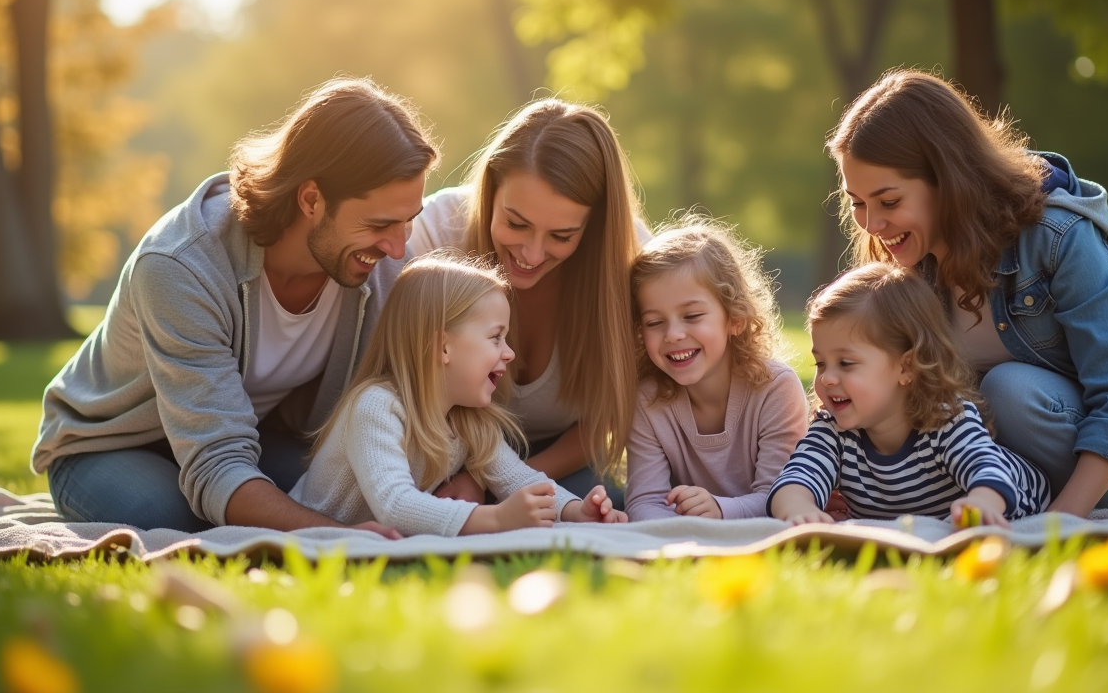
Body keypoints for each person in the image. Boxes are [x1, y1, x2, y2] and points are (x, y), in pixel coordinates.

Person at [32, 77, 438, 533]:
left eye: (409, 221)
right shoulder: (180, 265)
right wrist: (331, 536)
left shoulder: (375, 260)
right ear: (310, 199)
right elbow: (216, 462)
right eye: (381, 223)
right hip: (115, 443)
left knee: (353, 492)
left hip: (248, 436)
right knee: (171, 518)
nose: (399, 248)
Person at [827, 69, 1108, 517]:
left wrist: (1058, 523)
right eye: (857, 203)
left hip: (1106, 472)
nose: (871, 224)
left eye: (889, 202)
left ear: (949, 180)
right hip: (987, 471)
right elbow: (880, 390)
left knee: (1009, 390)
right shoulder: (904, 268)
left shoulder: (1059, 238)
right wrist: (844, 484)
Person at [408, 99, 647, 505]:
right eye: (516, 223)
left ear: (592, 227)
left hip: (560, 458)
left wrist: (496, 480)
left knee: (605, 507)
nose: (532, 255)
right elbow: (398, 379)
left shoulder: (631, 262)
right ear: (491, 191)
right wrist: (465, 473)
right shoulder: (433, 232)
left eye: (561, 236)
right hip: (438, 451)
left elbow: (607, 416)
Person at [290, 252, 626, 535]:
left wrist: (573, 511)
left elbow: (518, 479)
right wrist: (495, 518)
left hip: (373, 539)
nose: (508, 353)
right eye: (496, 337)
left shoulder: (467, 419)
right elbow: (395, 504)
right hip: (314, 532)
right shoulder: (377, 407)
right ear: (444, 346)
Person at [769, 263, 1051, 526]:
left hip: (1020, 492)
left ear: (907, 367)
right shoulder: (832, 431)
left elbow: (986, 468)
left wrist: (981, 501)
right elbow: (796, 479)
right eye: (820, 364)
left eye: (845, 363)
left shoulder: (946, 420)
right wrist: (798, 509)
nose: (827, 378)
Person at [623, 216, 808, 521]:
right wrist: (679, 537)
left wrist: (721, 509)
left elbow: (781, 497)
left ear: (734, 318)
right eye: (655, 322)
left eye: (692, 316)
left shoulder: (776, 389)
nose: (673, 334)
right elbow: (644, 502)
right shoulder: (647, 401)